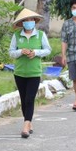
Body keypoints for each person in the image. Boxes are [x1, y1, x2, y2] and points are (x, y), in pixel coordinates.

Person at [8, 8, 52, 138]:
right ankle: (28, 121)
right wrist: (21, 51)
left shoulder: (40, 35)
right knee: (23, 98)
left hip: (34, 72)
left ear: (34, 21)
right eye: (26, 20)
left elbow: (47, 50)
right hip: (20, 72)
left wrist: (35, 52)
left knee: (30, 99)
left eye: (31, 20)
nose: (29, 22)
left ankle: (26, 126)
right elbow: (11, 52)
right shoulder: (17, 36)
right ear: (22, 23)